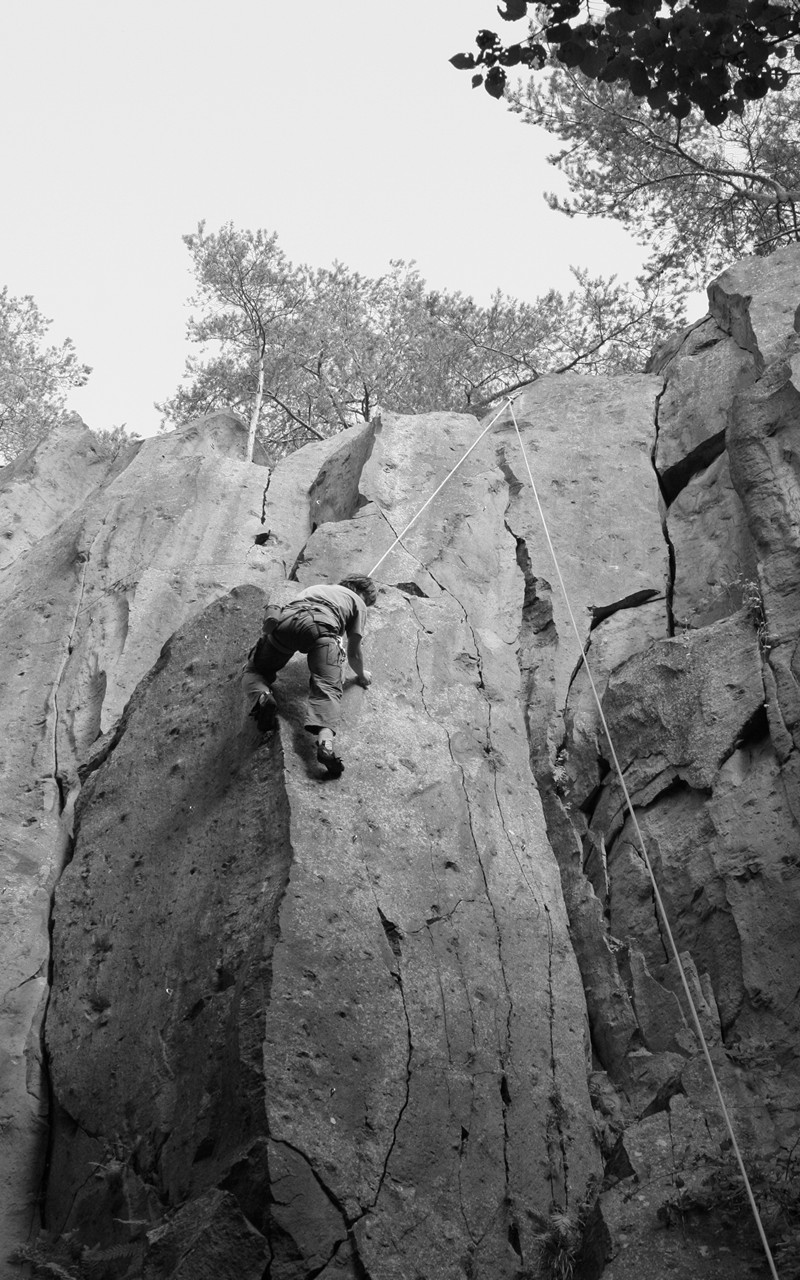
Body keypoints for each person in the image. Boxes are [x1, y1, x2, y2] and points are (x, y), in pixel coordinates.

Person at [242, 574, 377, 777]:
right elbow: (354, 651)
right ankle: (325, 745)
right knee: (328, 689)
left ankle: (262, 696)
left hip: (285, 623)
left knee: (255, 670)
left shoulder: (316, 588)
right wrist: (361, 674)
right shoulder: (358, 602)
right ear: (362, 593)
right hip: (323, 628)